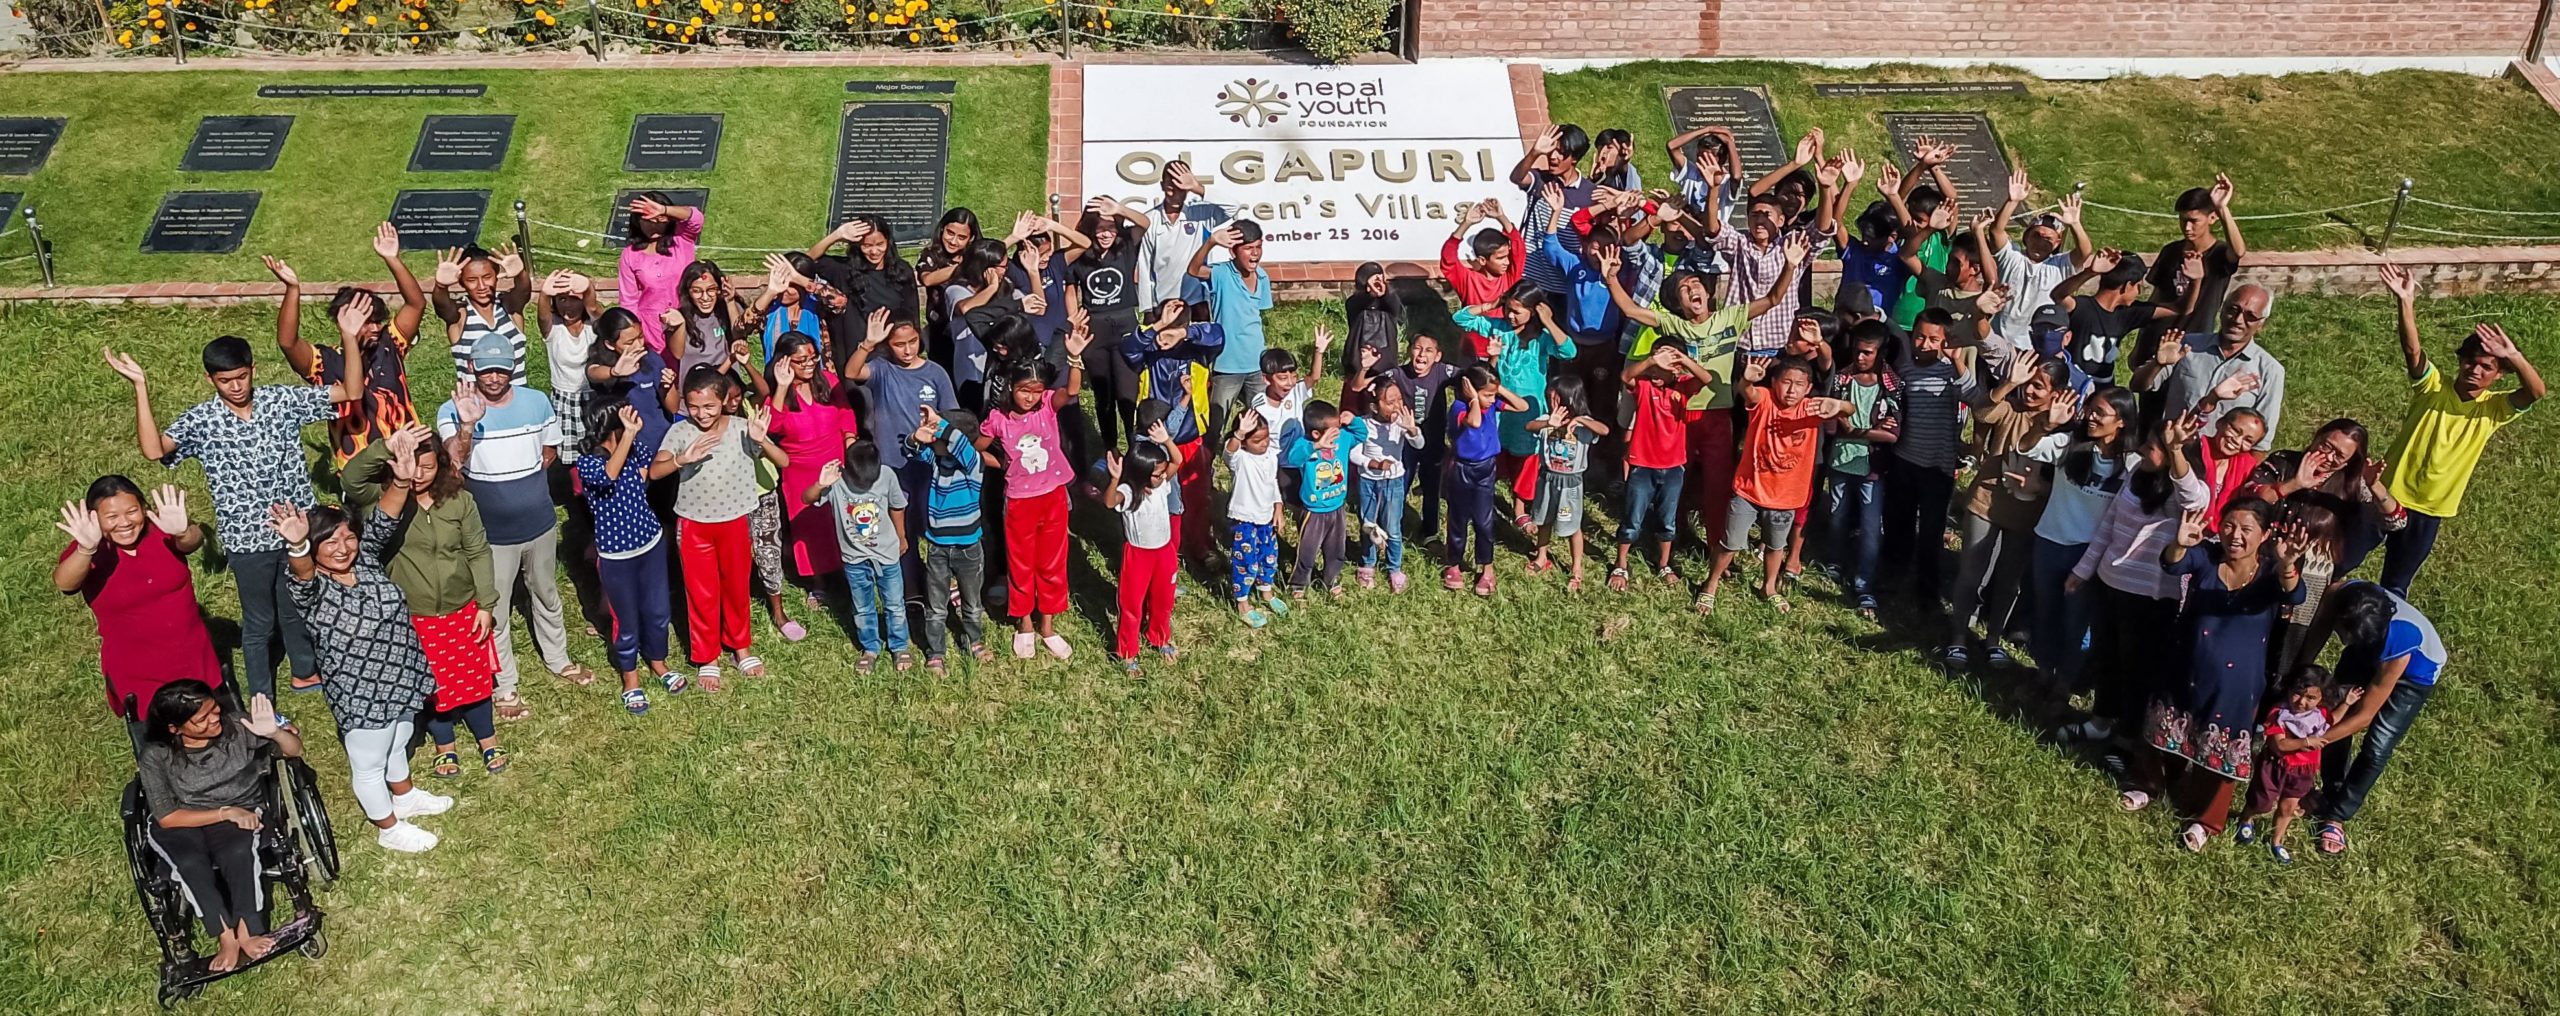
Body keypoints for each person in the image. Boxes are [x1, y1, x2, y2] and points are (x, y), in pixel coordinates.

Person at [107, 318, 363, 697]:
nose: (236, 386)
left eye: (242, 377)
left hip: (297, 527)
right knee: (259, 623)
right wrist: (141, 387)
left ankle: (305, 671)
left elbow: (351, 390)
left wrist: (349, 337)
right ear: (211, 380)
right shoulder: (203, 421)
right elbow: (153, 450)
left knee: (296, 604)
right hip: (247, 540)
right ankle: (261, 696)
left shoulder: (281, 400)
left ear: (252, 371)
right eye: (226, 380)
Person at [2125, 498, 2305, 852]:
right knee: (2167, 727)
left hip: (2236, 682)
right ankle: (2151, 785)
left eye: (2246, 530)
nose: (2234, 535)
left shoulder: (2270, 572)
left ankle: (2206, 820)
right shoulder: (2205, 555)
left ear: (2265, 535)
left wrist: (2287, 565)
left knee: (2222, 751)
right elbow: (2173, 565)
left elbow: (2294, 594)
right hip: (2185, 665)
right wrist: (2180, 542)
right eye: (2228, 525)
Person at [272, 499, 450, 854]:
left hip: (401, 673)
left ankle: (405, 795)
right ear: (314, 546)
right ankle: (389, 827)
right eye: (330, 543)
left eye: (348, 537)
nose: (343, 548)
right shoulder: (311, 589)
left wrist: (400, 479)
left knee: (399, 737)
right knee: (369, 762)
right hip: (361, 690)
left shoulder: (364, 559)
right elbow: (303, 572)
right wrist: (297, 544)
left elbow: (385, 517)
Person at [437, 346, 593, 720]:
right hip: (490, 534)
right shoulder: (452, 409)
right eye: (486, 371)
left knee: (546, 593)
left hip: (538, 523)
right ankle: (505, 683)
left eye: (501, 371)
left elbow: (549, 451)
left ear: (513, 369)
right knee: (496, 608)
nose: (493, 378)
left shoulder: (537, 402)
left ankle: (558, 659)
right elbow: (454, 462)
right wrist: (468, 425)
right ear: (472, 367)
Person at [343, 425, 508, 777]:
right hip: (414, 615)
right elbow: (351, 480)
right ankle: (444, 745)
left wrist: (485, 604)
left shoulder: (459, 501)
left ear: (442, 466)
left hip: (462, 607)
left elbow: (477, 550)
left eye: (428, 467)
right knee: (431, 685)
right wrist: (383, 447)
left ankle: (488, 739)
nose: (418, 475)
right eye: (410, 465)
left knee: (473, 679)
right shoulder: (385, 500)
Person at [2373, 264, 2544, 595]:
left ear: (2499, 375)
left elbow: (2536, 392)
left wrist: (2513, 355)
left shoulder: (2493, 409)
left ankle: (2382, 641)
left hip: (2429, 510)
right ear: (2460, 361)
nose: (2475, 370)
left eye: (2486, 366)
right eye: (2470, 361)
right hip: (2385, 493)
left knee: (2394, 587)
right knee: (2340, 560)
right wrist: (2406, 301)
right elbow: (2413, 351)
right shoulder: (2433, 387)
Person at [2064, 410, 2213, 744]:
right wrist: (2084, 570)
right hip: (2110, 582)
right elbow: (2109, 525)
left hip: (2150, 598)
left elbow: (2194, 497)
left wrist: (2175, 451)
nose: (2144, 450)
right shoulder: (2135, 474)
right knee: (2107, 657)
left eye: (2153, 447)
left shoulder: (2185, 494)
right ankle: (2100, 720)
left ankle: (2128, 736)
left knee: (2137, 670)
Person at [136, 682, 304, 971]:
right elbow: (166, 816)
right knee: (189, 862)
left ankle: (247, 930)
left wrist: (275, 733)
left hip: (242, 808)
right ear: (175, 728)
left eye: (214, 709)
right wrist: (225, 812)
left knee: (238, 851)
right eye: (202, 719)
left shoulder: (237, 727)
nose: (215, 718)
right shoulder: (157, 755)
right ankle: (226, 937)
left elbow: (295, 751)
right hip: (183, 820)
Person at [651, 370, 788, 687]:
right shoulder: (681, 432)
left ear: (725, 401)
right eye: (694, 407)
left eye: (709, 407)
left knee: (737, 587)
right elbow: (656, 472)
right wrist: (682, 459)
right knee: (701, 592)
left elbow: (784, 462)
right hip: (694, 525)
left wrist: (761, 439)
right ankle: (707, 656)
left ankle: (740, 647)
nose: (702, 414)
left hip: (735, 522)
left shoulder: (743, 429)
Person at [54, 476, 222, 732]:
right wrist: (86, 549)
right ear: (94, 519)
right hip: (139, 671)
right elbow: (65, 583)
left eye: (132, 511)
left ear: (144, 508)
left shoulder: (160, 530)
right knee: (158, 745)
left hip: (192, 656)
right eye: (111, 517)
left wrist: (183, 531)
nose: (124, 523)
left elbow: (192, 541)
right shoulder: (91, 551)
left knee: (212, 726)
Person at [1941, 356, 2074, 669]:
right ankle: (1958, 637)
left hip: (2027, 512)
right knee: (1972, 571)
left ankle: (1993, 640)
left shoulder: (2066, 425)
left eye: (2039, 387)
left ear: (2057, 393)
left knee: (2009, 581)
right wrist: (2009, 383)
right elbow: (1982, 413)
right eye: (2029, 383)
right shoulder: (2011, 407)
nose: (2030, 391)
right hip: (1986, 500)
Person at [261, 223, 428, 466]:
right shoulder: (324, 363)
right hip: (361, 473)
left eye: (377, 321)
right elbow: (287, 342)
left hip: (410, 459)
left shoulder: (388, 344)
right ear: (342, 322)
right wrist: (292, 290)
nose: (374, 328)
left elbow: (416, 304)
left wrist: (393, 259)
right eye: (365, 322)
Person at [978, 312, 1094, 660]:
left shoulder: (1047, 407)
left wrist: (1074, 357)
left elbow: (1071, 390)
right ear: (1011, 389)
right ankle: (1024, 623)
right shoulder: (997, 420)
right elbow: (977, 449)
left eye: (1035, 391)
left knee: (1052, 562)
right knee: (1022, 562)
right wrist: (1004, 463)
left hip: (1053, 498)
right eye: (1023, 391)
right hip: (1019, 502)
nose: (1029, 397)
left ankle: (1048, 625)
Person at [2302, 581, 2448, 855]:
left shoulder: (2401, 638)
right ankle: (2331, 792)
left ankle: (2338, 815)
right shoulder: (2342, 596)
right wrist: (2301, 668)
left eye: (2345, 637)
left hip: (2412, 673)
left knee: (2377, 745)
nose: (2341, 641)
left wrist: (2311, 741)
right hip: (2368, 644)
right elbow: (2319, 629)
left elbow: (2365, 716)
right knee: (2334, 711)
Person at [1697, 357, 1850, 614]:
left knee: (1776, 546)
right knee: (1731, 543)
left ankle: (1769, 587)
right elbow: (1748, 393)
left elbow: (1849, 410)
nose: (1791, 390)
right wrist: (1746, 379)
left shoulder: (1814, 408)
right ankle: (1710, 584)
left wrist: (1840, 404)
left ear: (1809, 388)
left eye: (1799, 384)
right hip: (1749, 490)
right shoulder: (1765, 400)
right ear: (1774, 383)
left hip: (1786, 497)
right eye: (1786, 382)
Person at [2022, 386, 2139, 691]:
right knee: (2045, 611)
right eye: (2090, 410)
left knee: (2078, 622)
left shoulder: (2132, 464)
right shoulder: (2068, 445)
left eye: (2100, 412)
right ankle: (2043, 672)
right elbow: (2025, 447)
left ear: (2122, 421)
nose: (2091, 418)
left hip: (2091, 554)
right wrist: (2043, 424)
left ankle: (2065, 684)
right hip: (2050, 541)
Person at [576, 399, 682, 715]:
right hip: (617, 555)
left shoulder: (634, 448)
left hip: (649, 544)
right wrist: (628, 438)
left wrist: (680, 458)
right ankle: (630, 678)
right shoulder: (588, 462)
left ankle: (658, 663)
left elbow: (653, 470)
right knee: (627, 620)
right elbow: (609, 476)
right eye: (629, 419)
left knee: (658, 609)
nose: (636, 422)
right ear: (613, 426)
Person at [844, 308, 960, 590]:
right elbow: (851, 371)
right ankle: (911, 588)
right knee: (901, 528)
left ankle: (944, 583)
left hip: (930, 465)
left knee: (933, 526)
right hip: (893, 466)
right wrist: (868, 344)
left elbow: (952, 416)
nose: (907, 350)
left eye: (912, 342)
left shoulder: (935, 373)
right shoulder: (883, 370)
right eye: (899, 344)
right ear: (888, 345)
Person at [1879, 308, 1982, 610]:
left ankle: (1927, 589)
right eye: (1919, 337)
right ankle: (1893, 573)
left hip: (1938, 467)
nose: (1924, 344)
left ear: (1945, 342)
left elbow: (1976, 400)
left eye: (1932, 339)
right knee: (1899, 523)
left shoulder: (1952, 372)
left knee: (1931, 532)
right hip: (1904, 461)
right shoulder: (1905, 369)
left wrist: (1958, 362)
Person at [1454, 284, 1572, 532]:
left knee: (1526, 458)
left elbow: (1568, 351)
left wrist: (1549, 321)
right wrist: (1492, 305)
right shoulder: (1499, 328)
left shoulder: (1542, 338)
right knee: (1495, 452)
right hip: (1498, 406)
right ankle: (1485, 500)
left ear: (1534, 311)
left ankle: (1520, 508)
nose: (1510, 316)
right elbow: (1460, 317)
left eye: (1517, 311)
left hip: (1528, 410)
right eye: (1508, 309)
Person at [764, 331, 861, 620]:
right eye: (801, 360)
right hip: (800, 469)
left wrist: (850, 440)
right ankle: (817, 583)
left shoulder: (828, 382)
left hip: (834, 460)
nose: (809, 364)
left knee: (840, 520)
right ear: (785, 362)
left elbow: (845, 414)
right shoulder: (778, 392)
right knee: (809, 525)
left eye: (812, 357)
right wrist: (782, 388)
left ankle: (847, 573)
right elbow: (774, 428)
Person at [1120, 301, 1226, 557]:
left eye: (1175, 327)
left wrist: (1183, 333)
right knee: (1155, 498)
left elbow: (1219, 335)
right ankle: (1165, 550)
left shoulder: (1198, 348)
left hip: (1189, 435)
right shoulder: (1148, 348)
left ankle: (1198, 545)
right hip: (1153, 437)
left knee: (1196, 495)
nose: (1168, 335)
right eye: (1165, 325)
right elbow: (1127, 349)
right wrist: (1157, 328)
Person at [2134, 285, 2284, 451]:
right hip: (2171, 451)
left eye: (2250, 316)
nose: (2238, 319)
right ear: (2222, 309)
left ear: (2261, 324)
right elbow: (2138, 385)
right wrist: (2157, 364)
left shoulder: (2269, 371)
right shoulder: (2187, 345)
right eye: (2233, 309)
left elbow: (2260, 445)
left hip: (2217, 467)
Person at [809, 435, 911, 671]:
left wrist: (901, 535)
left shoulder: (887, 475)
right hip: (854, 560)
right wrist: (821, 483)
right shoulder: (837, 481)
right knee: (863, 606)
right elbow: (807, 499)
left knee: (895, 604)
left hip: (886, 555)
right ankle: (870, 648)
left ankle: (899, 646)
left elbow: (897, 506)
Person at [1818, 326, 1900, 617]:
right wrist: (1870, 432)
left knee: (1870, 527)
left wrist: (1854, 431)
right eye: (1857, 351)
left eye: (1867, 352)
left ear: (1881, 353)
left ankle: (1864, 584)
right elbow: (1834, 425)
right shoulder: (1842, 378)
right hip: (1841, 462)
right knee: (1838, 516)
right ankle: (1835, 563)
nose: (1860, 357)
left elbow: (1892, 434)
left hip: (1873, 469)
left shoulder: (1891, 385)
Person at [1613, 344, 1708, 590]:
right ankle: (1621, 564)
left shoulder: (1684, 388)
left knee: (1668, 520)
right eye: (1653, 365)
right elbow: (1625, 377)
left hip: (1674, 467)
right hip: (1642, 466)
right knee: (1632, 519)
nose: (1656, 371)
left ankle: (1664, 563)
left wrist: (1683, 361)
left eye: (1662, 366)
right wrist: (1650, 360)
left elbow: (1706, 378)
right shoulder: (1643, 387)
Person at [904, 405, 988, 673]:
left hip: (969, 548)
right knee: (936, 607)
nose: (934, 441)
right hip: (938, 547)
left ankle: (974, 641)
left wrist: (940, 424)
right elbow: (910, 452)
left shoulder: (974, 464)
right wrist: (917, 438)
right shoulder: (936, 461)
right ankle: (935, 651)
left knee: (972, 604)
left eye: (939, 437)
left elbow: (961, 444)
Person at [1068, 196, 1151, 449]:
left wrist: (1120, 210)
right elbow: (1070, 289)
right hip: (1095, 327)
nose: (1106, 234)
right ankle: (1110, 448)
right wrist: (1073, 320)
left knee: (1128, 392)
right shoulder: (1080, 253)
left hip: (1125, 322)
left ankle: (1135, 445)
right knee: (1103, 395)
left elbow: (1145, 224)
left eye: (1111, 228)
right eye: (1100, 229)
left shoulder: (1125, 245)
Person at [2232, 667, 2336, 864]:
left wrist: (2347, 704)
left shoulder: (2321, 713)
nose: (2301, 702)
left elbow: (2334, 721)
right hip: (2275, 765)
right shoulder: (2278, 713)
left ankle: (2277, 841)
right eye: (2297, 693)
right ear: (2288, 688)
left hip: (2303, 770)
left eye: (2310, 698)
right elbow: (2279, 744)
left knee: (2288, 807)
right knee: (2261, 801)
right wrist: (2306, 742)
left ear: (2321, 699)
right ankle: (2246, 819)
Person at [1984, 178, 2093, 359]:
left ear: (2057, 243)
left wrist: (2075, 224)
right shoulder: (2012, 256)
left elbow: (2084, 251)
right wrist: (2013, 201)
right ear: (2026, 236)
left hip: (2036, 348)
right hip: (2000, 342)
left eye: (2048, 240)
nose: (2040, 243)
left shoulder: (2059, 265)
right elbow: (1996, 231)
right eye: (2037, 236)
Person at [1104, 433, 1185, 674]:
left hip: (1164, 551)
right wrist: (1115, 479)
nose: (1162, 476)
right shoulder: (1129, 492)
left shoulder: (1161, 484)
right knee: (1132, 605)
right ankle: (1127, 653)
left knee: (1164, 599)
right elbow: (1109, 502)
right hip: (1138, 555)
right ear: (1141, 474)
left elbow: (1177, 460)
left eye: (1162, 473)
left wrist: (1167, 440)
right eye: (1157, 473)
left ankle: (1159, 636)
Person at [1193, 219, 1275, 454]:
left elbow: (1256, 314)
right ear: (1233, 251)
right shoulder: (1221, 273)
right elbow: (1194, 270)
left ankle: (1251, 464)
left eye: (1258, 247)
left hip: (1256, 363)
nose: (1255, 253)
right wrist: (1210, 242)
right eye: (1249, 248)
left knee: (1259, 421)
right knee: (1215, 424)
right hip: (1227, 364)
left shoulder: (1262, 277)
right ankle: (1206, 470)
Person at [1445, 366, 1527, 596]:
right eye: (1488, 395)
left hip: (1485, 469)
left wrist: (1498, 388)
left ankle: (1487, 568)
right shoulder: (1460, 408)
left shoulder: (1491, 404)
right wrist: (1473, 400)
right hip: (1462, 469)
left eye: (1493, 395)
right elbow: (1474, 423)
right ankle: (1454, 563)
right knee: (1458, 520)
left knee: (1484, 520)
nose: (1492, 400)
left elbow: (1523, 406)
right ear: (1471, 390)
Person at [1522, 375, 1608, 591]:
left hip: (1571, 484)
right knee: (1543, 519)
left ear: (1570, 399)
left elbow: (1604, 430)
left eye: (1556, 400)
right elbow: (1529, 426)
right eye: (1550, 399)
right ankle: (1542, 556)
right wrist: (1548, 423)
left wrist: (1581, 420)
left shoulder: (1584, 426)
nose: (1552, 405)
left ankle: (1576, 567)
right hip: (1547, 478)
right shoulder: (1547, 419)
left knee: (1572, 526)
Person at [2047, 248, 2176, 386]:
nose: (2138, 292)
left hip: (2103, 391)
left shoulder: (2128, 313)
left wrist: (2196, 280)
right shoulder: (2083, 307)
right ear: (2127, 286)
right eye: (2138, 286)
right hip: (2073, 387)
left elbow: (2181, 309)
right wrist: (2090, 272)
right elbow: (2058, 296)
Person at [1350, 363, 1425, 592]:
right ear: (1374, 406)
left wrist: (1411, 430)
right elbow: (1353, 453)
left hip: (1394, 482)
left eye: (1399, 399)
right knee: (1369, 525)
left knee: (1393, 527)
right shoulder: (1363, 425)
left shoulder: (1401, 423)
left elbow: (1419, 444)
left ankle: (1394, 568)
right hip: (1368, 481)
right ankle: (1368, 564)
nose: (1397, 405)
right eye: (1390, 402)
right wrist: (1372, 464)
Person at [1280, 400, 1366, 599]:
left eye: (1338, 428)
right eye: (1333, 430)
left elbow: (1362, 435)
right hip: (1314, 511)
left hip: (1337, 507)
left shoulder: (1343, 438)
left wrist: (1353, 421)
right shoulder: (1305, 445)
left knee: (1336, 548)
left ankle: (1331, 579)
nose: (1338, 432)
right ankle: (1299, 584)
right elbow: (1293, 459)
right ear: (1317, 434)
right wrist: (1316, 447)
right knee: (1307, 551)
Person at [2144, 176, 2248, 336]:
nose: (2187, 227)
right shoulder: (2170, 251)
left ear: (2212, 218)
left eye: (2194, 221)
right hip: (2159, 335)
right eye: (2183, 220)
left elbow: (2239, 251)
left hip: (2196, 340)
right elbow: (2157, 296)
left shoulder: (2219, 254)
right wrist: (2143, 337)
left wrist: (2222, 208)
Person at [1510, 124, 1597, 295]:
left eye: (1561, 153)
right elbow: (1516, 177)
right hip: (1530, 278)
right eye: (1552, 150)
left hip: (1564, 286)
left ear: (1574, 158)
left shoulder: (1591, 195)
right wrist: (1535, 152)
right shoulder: (1541, 180)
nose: (1553, 157)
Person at [430, 244, 534, 384]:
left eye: (487, 277)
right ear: (461, 282)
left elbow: (523, 292)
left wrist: (521, 273)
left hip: (516, 400)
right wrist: (441, 286)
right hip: (476, 403)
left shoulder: (509, 306)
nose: (481, 286)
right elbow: (442, 307)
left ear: (496, 276)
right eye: (472, 280)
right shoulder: (461, 313)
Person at [1222, 408, 1288, 627]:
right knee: (1245, 562)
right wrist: (1239, 433)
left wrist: (1278, 507)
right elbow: (1228, 453)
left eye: (1266, 437)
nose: (1264, 443)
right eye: (1257, 440)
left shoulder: (1271, 456)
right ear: (1244, 442)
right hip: (1245, 520)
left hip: (1266, 517)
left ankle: (1266, 591)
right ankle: (1242, 603)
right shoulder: (1240, 458)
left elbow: (1273, 483)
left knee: (1269, 557)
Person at [1133, 159, 1229, 309]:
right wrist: (1147, 308)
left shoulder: (1199, 213)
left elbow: (1232, 207)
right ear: (1162, 186)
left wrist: (1197, 187)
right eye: (1171, 188)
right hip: (1164, 302)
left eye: (1182, 189)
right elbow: (1145, 267)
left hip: (1198, 301)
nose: (1176, 195)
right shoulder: (1151, 219)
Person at [618, 193, 704, 355]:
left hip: (688, 318)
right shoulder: (630, 254)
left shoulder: (682, 239)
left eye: (659, 221)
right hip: (651, 328)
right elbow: (628, 301)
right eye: (647, 221)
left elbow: (696, 218)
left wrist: (664, 210)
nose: (654, 226)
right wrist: (638, 335)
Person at [1392, 332, 1457, 539]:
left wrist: (1492, 357)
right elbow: (1368, 386)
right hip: (1406, 440)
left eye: (1428, 350)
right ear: (1410, 350)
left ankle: (1430, 532)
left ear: (1438, 356)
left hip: (1433, 442)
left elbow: (1476, 377)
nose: (1421, 355)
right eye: (1418, 348)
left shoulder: (1442, 372)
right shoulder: (1398, 374)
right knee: (1401, 483)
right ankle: (1394, 527)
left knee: (1431, 487)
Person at [533, 269, 603, 452]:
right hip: (564, 399)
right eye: (562, 299)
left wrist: (587, 289)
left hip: (593, 395)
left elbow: (596, 311)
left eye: (575, 299)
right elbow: (542, 317)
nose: (568, 306)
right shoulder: (554, 328)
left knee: (597, 449)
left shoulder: (593, 328)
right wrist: (544, 295)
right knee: (569, 455)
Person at [1440, 198, 1523, 310]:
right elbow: (1448, 258)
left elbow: (1518, 247)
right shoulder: (1467, 279)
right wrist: (1466, 223)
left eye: (1507, 257)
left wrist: (1501, 217)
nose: (1507, 262)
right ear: (1482, 260)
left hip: (1505, 327)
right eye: (1500, 258)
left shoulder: (1509, 277)